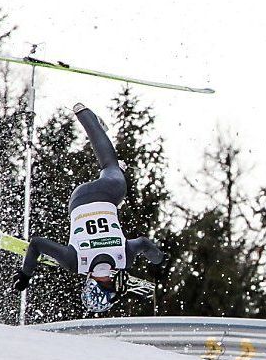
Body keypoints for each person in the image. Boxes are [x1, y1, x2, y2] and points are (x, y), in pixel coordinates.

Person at [12, 103, 166, 313]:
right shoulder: (75, 263)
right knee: (109, 172)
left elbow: (144, 243)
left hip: (108, 193)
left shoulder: (124, 257)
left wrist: (159, 259)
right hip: (77, 200)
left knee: (110, 165)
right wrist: (25, 276)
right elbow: (37, 244)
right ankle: (87, 119)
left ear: (111, 286)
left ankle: (85, 115)